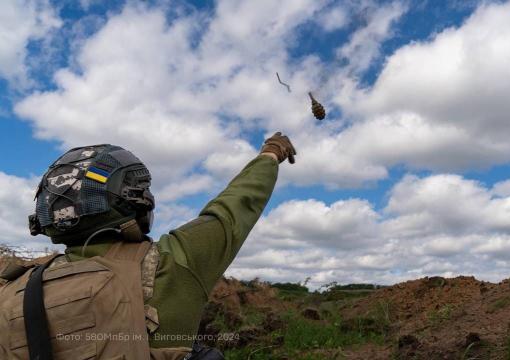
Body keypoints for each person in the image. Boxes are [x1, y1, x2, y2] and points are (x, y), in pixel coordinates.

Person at [0, 132, 296, 360]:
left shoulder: (13, 286)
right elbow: (234, 207)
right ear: (132, 199)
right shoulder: (173, 263)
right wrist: (270, 153)